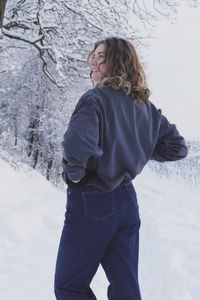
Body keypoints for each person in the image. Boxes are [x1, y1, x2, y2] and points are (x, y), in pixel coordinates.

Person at [54, 37, 188, 300]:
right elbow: (177, 147)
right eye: (93, 54)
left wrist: (75, 176)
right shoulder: (147, 109)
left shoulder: (94, 100)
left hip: (92, 198)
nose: (92, 60)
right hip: (127, 202)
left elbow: (77, 144)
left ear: (116, 63)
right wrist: (136, 150)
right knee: (126, 288)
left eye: (101, 56)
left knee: (69, 285)